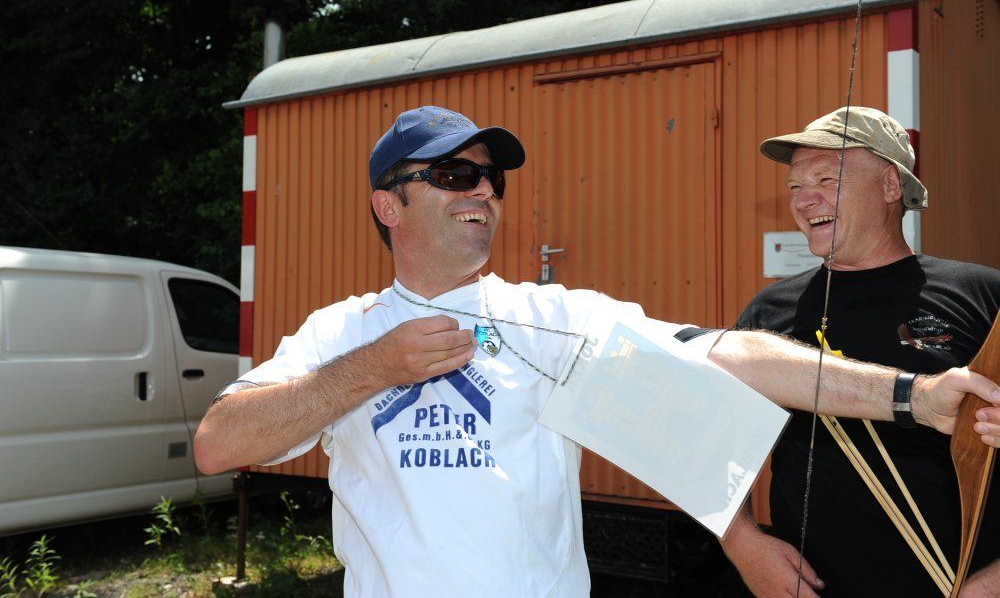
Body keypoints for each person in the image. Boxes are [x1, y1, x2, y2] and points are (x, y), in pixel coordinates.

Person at [194, 106, 1000, 597]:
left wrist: (913, 396)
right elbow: (218, 443)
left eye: (492, 179)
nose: (483, 190)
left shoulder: (549, 320)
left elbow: (731, 357)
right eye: (454, 174)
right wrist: (374, 368)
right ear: (388, 204)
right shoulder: (341, 333)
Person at [722, 107, 1000, 597]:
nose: (803, 200)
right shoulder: (769, 313)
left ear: (891, 185)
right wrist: (743, 543)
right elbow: (716, 446)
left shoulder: (983, 295)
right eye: (795, 186)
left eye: (826, 179)